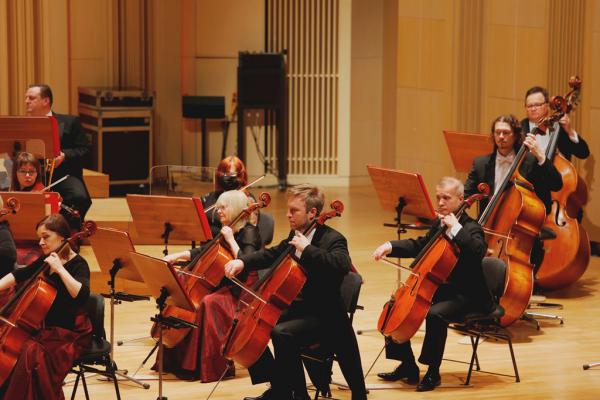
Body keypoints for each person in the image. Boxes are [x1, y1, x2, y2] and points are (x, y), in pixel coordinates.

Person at [224, 184, 367, 400]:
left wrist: (307, 249)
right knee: (257, 324)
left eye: (294, 211)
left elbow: (341, 265)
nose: (288, 214)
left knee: (282, 332)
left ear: (312, 213)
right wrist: (242, 262)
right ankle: (282, 389)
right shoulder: (297, 233)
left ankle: (298, 395)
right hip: (302, 308)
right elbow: (273, 253)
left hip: (326, 316)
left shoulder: (333, 239)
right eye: (288, 209)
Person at [374, 177, 493, 392]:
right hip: (443, 289)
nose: (440, 202)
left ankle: (432, 371)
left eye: (446, 198)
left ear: (461, 199)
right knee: (395, 306)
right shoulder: (440, 223)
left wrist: (456, 229)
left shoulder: (470, 227)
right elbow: (421, 245)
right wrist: (390, 246)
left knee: (435, 314)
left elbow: (478, 251)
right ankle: (408, 366)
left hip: (469, 295)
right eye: (438, 197)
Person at [157, 190, 262, 382]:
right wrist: (177, 255)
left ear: (237, 209)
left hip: (241, 290)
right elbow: (203, 251)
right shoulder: (224, 228)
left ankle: (208, 366)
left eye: (224, 207)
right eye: (218, 207)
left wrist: (231, 239)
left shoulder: (249, 232)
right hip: (223, 283)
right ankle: (177, 361)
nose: (219, 211)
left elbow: (247, 263)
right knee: (183, 289)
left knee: (208, 302)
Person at [0, 214, 92, 399]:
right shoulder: (47, 259)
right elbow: (20, 274)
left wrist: (60, 268)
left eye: (46, 237)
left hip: (69, 332)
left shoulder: (78, 264)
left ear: (62, 237)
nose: (40, 242)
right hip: (45, 330)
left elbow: (81, 294)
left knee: (30, 353)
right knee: (18, 349)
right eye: (39, 237)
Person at [464, 114, 563, 216]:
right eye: (497, 133)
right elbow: (465, 195)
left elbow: (556, 184)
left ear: (515, 135)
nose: (501, 136)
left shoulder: (530, 161)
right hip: (488, 224)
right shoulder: (480, 164)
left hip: (521, 221)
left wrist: (541, 156)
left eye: (506, 133)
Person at [25, 84, 92, 228]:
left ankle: (65, 232)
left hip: (63, 174)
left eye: (31, 98)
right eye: (26, 98)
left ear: (45, 101)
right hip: (32, 175)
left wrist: (64, 156)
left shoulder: (70, 122)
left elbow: (85, 150)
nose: (26, 101)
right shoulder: (23, 125)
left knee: (80, 197)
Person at [521, 86, 590, 162]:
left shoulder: (557, 128)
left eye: (537, 105)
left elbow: (583, 153)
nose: (533, 109)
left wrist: (570, 131)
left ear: (547, 105)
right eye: (529, 106)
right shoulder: (519, 129)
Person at [202, 155, 251, 237]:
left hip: (231, 245)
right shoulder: (211, 196)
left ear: (240, 176)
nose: (225, 177)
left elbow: (248, 229)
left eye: (230, 174)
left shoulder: (246, 199)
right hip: (208, 245)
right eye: (223, 173)